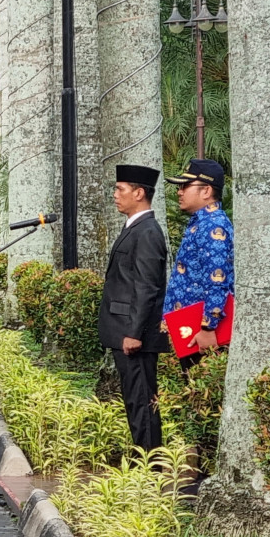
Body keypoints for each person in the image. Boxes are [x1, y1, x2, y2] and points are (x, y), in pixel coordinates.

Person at [98, 165, 168, 451]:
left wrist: (135, 332)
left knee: (141, 400)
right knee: (134, 399)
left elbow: (146, 286)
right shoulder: (135, 228)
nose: (115, 195)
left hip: (134, 334)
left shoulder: (148, 231)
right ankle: (145, 458)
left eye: (121, 189)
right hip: (125, 330)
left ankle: (150, 465)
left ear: (139, 193)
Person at [164, 159, 234, 373]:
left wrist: (207, 327)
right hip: (190, 330)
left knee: (205, 397)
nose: (179, 192)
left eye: (185, 186)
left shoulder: (214, 226)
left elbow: (217, 279)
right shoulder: (201, 223)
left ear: (206, 190)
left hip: (203, 336)